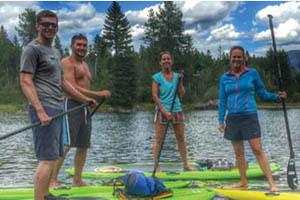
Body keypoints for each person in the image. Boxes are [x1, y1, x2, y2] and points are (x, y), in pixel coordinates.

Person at [20, 10, 97, 200]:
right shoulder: (32, 49)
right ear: (37, 26)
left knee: (53, 156)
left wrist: (84, 99)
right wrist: (39, 110)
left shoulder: (54, 52)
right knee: (46, 159)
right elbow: (25, 81)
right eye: (45, 24)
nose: (49, 28)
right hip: (44, 108)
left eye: (53, 25)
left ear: (57, 28)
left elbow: (63, 83)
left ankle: (46, 194)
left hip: (57, 108)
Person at [218, 46, 286, 192]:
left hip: (249, 116)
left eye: (239, 57)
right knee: (238, 153)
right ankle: (243, 182)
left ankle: (272, 184)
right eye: (234, 57)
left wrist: (276, 97)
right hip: (232, 119)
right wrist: (220, 120)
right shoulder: (225, 77)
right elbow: (222, 100)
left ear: (244, 58)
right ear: (230, 58)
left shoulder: (252, 73)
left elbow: (262, 93)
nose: (237, 59)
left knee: (257, 150)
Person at [50, 34, 111, 189]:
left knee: (83, 145)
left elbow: (83, 87)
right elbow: (70, 86)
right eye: (79, 45)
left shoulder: (85, 65)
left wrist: (88, 101)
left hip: (83, 107)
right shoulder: (67, 63)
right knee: (66, 144)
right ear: (71, 46)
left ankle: (77, 180)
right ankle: (52, 181)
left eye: (84, 45)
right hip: (70, 105)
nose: (82, 48)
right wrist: (96, 95)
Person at [152, 51, 195, 172]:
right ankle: (156, 166)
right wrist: (164, 111)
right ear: (160, 62)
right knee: (159, 140)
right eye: (164, 59)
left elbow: (182, 94)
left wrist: (180, 81)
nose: (166, 61)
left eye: (168, 59)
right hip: (162, 110)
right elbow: (155, 96)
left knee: (181, 138)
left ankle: (186, 164)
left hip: (176, 109)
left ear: (172, 61)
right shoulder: (157, 77)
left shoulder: (177, 76)